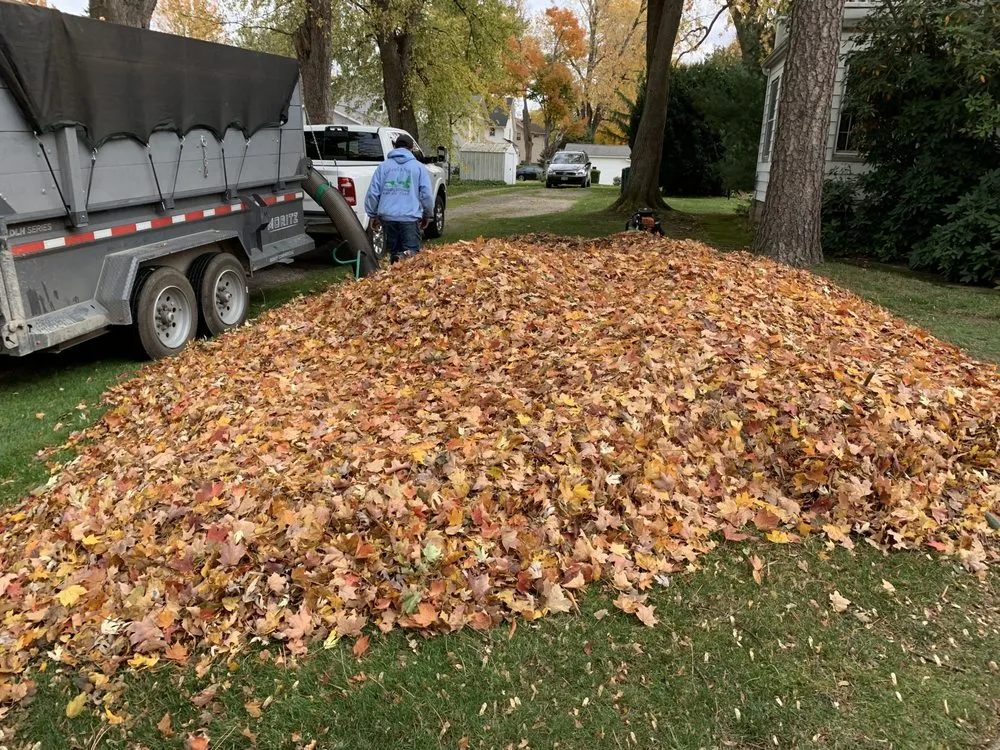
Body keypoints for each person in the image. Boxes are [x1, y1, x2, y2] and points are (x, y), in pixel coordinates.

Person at [364, 133, 435, 263]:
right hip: (409, 217)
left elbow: (373, 193)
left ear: (395, 147)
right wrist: (427, 214)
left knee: (394, 252)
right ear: (412, 148)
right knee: (412, 253)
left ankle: (396, 264)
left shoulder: (383, 167)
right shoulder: (418, 167)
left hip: (387, 217)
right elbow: (426, 195)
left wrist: (372, 215)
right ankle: (404, 258)